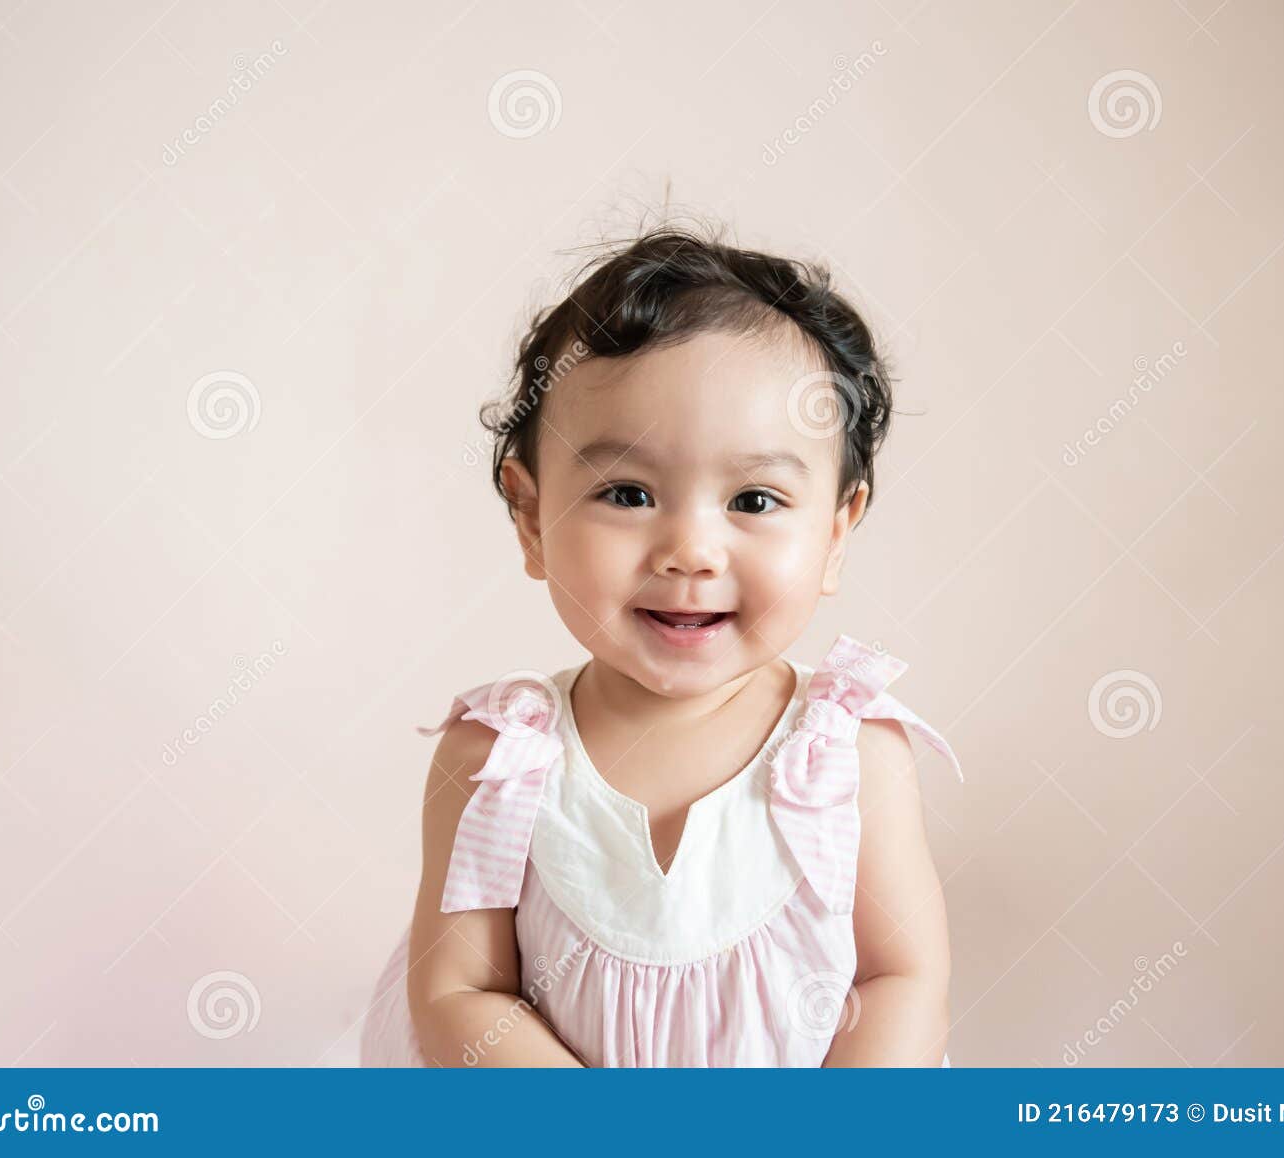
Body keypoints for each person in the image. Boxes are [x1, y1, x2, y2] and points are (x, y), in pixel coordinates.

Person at [361, 222, 962, 1067]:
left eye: (754, 501)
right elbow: (461, 993)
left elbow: (900, 978)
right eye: (629, 492)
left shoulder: (850, 758)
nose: (690, 550)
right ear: (531, 516)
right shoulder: (500, 761)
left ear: (835, 531)